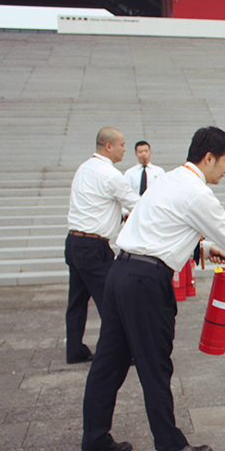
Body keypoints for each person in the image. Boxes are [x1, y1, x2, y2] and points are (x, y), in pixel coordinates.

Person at [80, 126, 225, 451]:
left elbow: (162, 229)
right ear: (209, 158)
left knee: (108, 362)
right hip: (146, 283)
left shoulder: (170, 180)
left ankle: (94, 439)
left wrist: (205, 249)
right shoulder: (198, 193)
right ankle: (170, 445)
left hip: (121, 273)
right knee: (155, 364)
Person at [65, 127, 139, 364]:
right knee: (112, 301)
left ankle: (75, 349)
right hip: (94, 248)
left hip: (75, 242)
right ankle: (118, 352)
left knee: (76, 301)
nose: (125, 149)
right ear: (109, 147)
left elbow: (96, 205)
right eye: (122, 144)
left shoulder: (84, 168)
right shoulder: (111, 175)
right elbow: (138, 206)